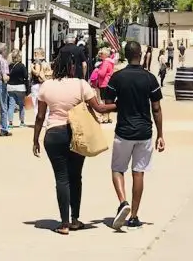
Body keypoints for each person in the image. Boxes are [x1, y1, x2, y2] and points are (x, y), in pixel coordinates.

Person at [32, 51, 115, 235]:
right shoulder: (81, 85)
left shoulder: (46, 86)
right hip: (76, 133)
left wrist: (35, 139)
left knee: (61, 178)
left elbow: (39, 116)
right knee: (76, 176)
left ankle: (63, 224)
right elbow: (99, 108)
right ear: (72, 67)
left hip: (53, 134)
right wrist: (122, 104)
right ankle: (75, 219)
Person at [101, 40, 165, 231]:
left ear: (126, 55)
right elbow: (156, 107)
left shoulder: (117, 77)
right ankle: (135, 216)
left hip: (124, 132)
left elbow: (108, 102)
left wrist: (124, 103)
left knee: (117, 169)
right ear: (141, 54)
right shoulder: (150, 78)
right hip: (145, 132)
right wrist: (160, 134)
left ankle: (123, 202)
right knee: (139, 172)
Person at [90, 47, 116, 125]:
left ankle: (105, 117)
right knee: (108, 101)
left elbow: (102, 73)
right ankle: (107, 117)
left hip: (104, 83)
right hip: (109, 82)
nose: (100, 55)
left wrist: (97, 70)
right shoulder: (110, 62)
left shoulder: (105, 62)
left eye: (101, 53)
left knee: (103, 101)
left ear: (105, 54)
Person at [7, 50, 31, 128]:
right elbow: (26, 76)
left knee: (11, 105)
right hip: (20, 87)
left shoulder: (9, 66)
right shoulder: (22, 66)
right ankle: (22, 122)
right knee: (21, 105)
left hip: (10, 87)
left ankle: (10, 123)